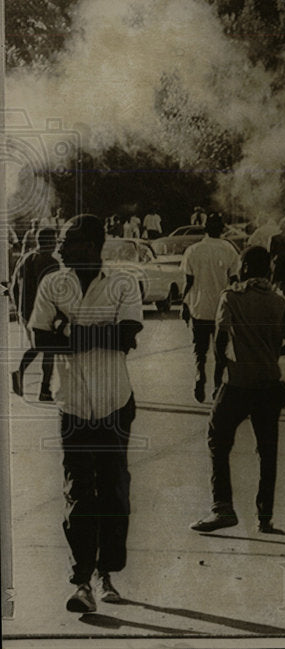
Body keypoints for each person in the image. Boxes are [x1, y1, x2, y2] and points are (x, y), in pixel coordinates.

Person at [29, 214, 143, 613]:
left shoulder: (122, 283)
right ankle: (82, 582)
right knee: (78, 492)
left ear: (92, 247)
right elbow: (39, 338)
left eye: (68, 240)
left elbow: (127, 337)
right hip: (73, 405)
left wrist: (69, 331)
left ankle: (106, 573)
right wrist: (79, 334)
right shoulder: (51, 283)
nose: (59, 247)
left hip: (115, 403)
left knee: (113, 489)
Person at [190, 246, 285, 534]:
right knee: (267, 450)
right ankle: (265, 517)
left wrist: (218, 376)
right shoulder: (278, 302)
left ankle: (222, 508)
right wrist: (269, 354)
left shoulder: (232, 297)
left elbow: (221, 338)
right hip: (270, 385)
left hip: (238, 383)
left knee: (217, 438)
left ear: (247, 268)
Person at [180, 213, 240, 402]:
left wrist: (184, 304)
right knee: (220, 351)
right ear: (221, 230)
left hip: (199, 307)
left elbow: (188, 281)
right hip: (222, 309)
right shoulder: (229, 249)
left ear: (205, 229)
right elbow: (234, 280)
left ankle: (199, 375)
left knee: (200, 349)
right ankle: (216, 386)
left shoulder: (193, 250)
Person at [11, 227, 60, 402]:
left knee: (38, 346)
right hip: (44, 312)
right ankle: (45, 390)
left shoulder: (25, 259)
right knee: (49, 350)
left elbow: (13, 287)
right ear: (48, 242)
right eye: (54, 241)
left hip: (26, 312)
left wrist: (19, 310)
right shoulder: (50, 262)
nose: (56, 245)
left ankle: (20, 373)